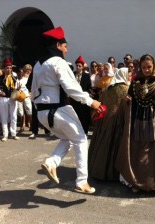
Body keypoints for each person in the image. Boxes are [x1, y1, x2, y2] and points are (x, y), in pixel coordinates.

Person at [31, 26, 102, 194]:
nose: (66, 49)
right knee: (81, 139)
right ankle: (82, 181)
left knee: (68, 139)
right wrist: (92, 102)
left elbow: (33, 91)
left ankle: (51, 163)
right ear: (58, 45)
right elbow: (72, 89)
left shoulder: (37, 65)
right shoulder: (59, 62)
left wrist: (37, 111)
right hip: (57, 111)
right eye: (65, 46)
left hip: (42, 113)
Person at [115, 54, 155, 192]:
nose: (147, 70)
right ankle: (138, 182)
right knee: (139, 154)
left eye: (149, 67)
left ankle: (154, 183)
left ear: (154, 66)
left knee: (153, 155)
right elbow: (130, 99)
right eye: (144, 67)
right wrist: (126, 99)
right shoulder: (135, 83)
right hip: (138, 122)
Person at [88, 68, 130, 180]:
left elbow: (101, 101)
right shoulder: (126, 89)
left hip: (104, 119)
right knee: (115, 146)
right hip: (117, 120)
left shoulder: (107, 88)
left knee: (103, 144)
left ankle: (99, 170)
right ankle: (113, 173)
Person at [0, 58, 20, 142]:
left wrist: (18, 88)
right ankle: (5, 135)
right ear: (4, 69)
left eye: (10, 68)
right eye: (7, 68)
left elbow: (18, 86)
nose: (9, 69)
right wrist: (0, 92)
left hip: (12, 99)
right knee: (4, 117)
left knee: (13, 116)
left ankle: (13, 134)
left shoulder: (14, 77)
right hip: (3, 99)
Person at [70, 56, 92, 134]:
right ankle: (75, 132)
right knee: (75, 116)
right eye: (77, 66)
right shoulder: (72, 75)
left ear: (82, 67)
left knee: (84, 116)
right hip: (74, 99)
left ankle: (84, 132)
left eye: (80, 66)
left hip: (83, 99)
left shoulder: (86, 76)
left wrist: (85, 94)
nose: (78, 67)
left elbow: (89, 88)